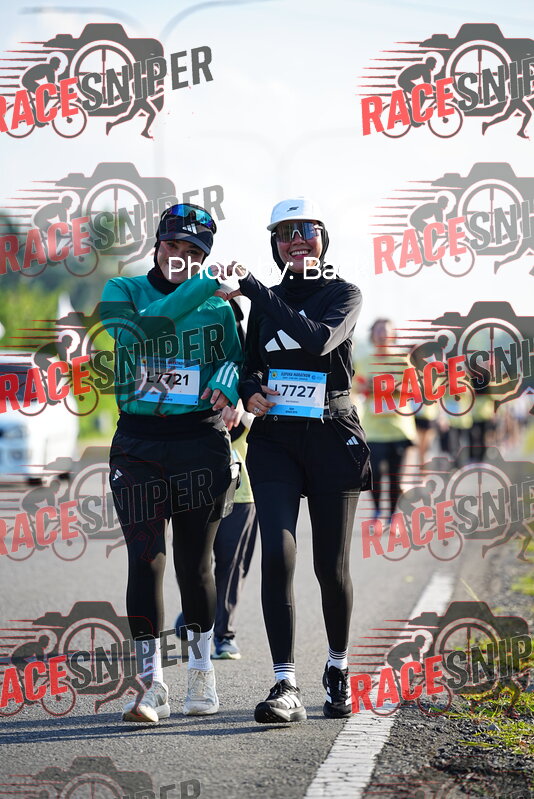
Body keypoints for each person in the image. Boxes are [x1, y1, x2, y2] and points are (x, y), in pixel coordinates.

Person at [218, 197, 371, 723]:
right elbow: (249, 364)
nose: (296, 240)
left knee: (330, 565)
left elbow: (319, 340)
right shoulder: (266, 300)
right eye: (285, 233)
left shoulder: (344, 294)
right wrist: (250, 390)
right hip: (276, 440)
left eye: (306, 229)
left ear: (323, 238)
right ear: (275, 245)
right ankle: (285, 683)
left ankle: (338, 667)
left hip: (332, 435)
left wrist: (255, 289)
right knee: (278, 556)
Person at [100, 203, 242, 723]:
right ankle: (150, 685)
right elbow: (138, 334)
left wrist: (228, 381)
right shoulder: (123, 291)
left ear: (204, 256)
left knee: (194, 563)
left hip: (199, 442)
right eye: (172, 246)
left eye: (193, 252)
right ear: (156, 245)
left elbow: (235, 356)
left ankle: (201, 673)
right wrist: (204, 286)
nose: (180, 257)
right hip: (138, 443)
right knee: (146, 560)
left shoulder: (219, 308)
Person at [175, 400, 258, 660]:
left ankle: (224, 635)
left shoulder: (250, 383)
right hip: (193, 486)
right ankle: (195, 612)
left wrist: (242, 408)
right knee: (192, 562)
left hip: (241, 492)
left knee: (231, 566)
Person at [355, 319, 416, 523]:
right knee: (374, 474)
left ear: (393, 335)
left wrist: (390, 388)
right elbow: (357, 387)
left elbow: (414, 389)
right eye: (378, 330)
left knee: (395, 476)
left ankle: (392, 514)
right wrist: (370, 388)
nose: (382, 334)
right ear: (372, 335)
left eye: (386, 331)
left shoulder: (402, 360)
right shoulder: (364, 361)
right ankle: (377, 512)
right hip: (373, 428)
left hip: (399, 427)